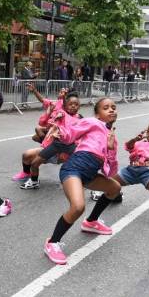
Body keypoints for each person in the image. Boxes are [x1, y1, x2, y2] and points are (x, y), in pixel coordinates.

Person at [43, 98, 122, 265]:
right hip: (74, 168)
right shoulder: (93, 122)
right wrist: (61, 132)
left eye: (113, 108)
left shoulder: (112, 138)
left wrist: (110, 148)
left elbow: (111, 170)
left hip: (90, 174)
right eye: (106, 108)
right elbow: (71, 133)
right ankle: (52, 243)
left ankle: (91, 222)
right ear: (97, 113)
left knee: (114, 188)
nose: (111, 110)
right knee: (78, 207)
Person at [16, 91, 82, 188]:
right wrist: (51, 114)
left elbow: (83, 136)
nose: (73, 106)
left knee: (78, 165)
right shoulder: (60, 112)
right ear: (66, 105)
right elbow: (43, 123)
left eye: (76, 104)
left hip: (65, 151)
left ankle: (83, 181)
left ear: (79, 106)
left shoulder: (80, 119)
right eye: (70, 104)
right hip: (52, 147)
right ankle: (30, 177)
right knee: (27, 156)